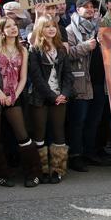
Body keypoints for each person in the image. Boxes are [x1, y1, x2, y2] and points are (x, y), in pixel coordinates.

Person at [0, 16, 41, 188]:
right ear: (2, 31)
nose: (13, 28)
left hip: (14, 96)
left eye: (15, 25)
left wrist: (14, 95)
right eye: (8, 26)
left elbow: (23, 77)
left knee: (23, 135)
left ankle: (33, 173)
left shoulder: (23, 50)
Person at [25, 15, 73, 183]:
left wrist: (64, 94)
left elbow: (68, 75)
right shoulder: (35, 50)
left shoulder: (61, 49)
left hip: (60, 97)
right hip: (40, 97)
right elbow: (36, 78)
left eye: (53, 26)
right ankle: (41, 169)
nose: (51, 29)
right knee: (39, 134)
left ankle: (57, 170)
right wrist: (52, 97)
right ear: (40, 29)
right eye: (47, 26)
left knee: (59, 132)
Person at [65, 0, 110, 170]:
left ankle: (90, 152)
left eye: (92, 6)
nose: (90, 9)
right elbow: (66, 55)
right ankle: (76, 155)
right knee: (78, 122)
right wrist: (85, 46)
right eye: (85, 6)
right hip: (80, 83)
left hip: (99, 82)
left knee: (94, 120)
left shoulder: (100, 29)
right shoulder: (70, 30)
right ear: (77, 10)